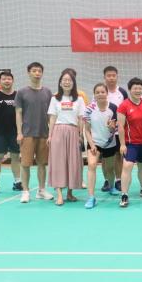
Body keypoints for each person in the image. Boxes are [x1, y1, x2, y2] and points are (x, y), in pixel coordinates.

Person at [15, 62, 54, 203]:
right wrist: (19, 133)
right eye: (34, 71)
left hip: (44, 134)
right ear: (28, 73)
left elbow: (51, 115)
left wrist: (51, 133)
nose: (37, 73)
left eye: (39, 71)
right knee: (25, 164)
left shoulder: (48, 92)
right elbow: (18, 113)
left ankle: (41, 190)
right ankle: (25, 191)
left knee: (42, 164)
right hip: (27, 134)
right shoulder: (21, 92)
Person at [47, 71, 85, 205]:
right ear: (60, 82)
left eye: (69, 80)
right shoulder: (55, 98)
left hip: (73, 132)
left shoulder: (79, 99)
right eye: (64, 79)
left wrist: (80, 135)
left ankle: (70, 193)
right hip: (58, 131)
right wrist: (50, 135)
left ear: (73, 83)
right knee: (58, 162)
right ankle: (59, 195)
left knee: (73, 162)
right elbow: (52, 118)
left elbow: (81, 119)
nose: (67, 82)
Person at [117, 78, 142, 208]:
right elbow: (120, 126)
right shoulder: (124, 105)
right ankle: (124, 194)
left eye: (140, 88)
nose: (138, 90)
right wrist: (122, 144)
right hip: (130, 143)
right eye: (135, 88)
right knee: (127, 166)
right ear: (130, 90)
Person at [83, 83, 118, 209]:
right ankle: (91, 197)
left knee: (109, 169)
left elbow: (116, 128)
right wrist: (92, 144)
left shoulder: (113, 108)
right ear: (94, 95)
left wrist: (112, 127)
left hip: (109, 143)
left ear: (107, 94)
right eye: (97, 92)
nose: (100, 94)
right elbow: (87, 130)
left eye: (102, 92)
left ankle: (111, 186)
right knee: (91, 165)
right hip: (95, 143)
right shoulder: (89, 109)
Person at [0, 71, 21, 195]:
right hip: (0, 133)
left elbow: (22, 113)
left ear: (12, 81)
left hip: (15, 133)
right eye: (4, 79)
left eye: (9, 79)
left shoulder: (18, 96)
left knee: (15, 158)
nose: (7, 81)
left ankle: (17, 182)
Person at [103, 65, 128, 193]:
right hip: (103, 131)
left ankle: (118, 180)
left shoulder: (122, 92)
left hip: (119, 130)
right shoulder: (101, 91)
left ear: (117, 77)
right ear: (104, 77)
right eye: (109, 75)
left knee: (118, 155)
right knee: (105, 157)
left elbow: (127, 109)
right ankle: (107, 181)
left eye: (113, 75)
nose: (111, 78)